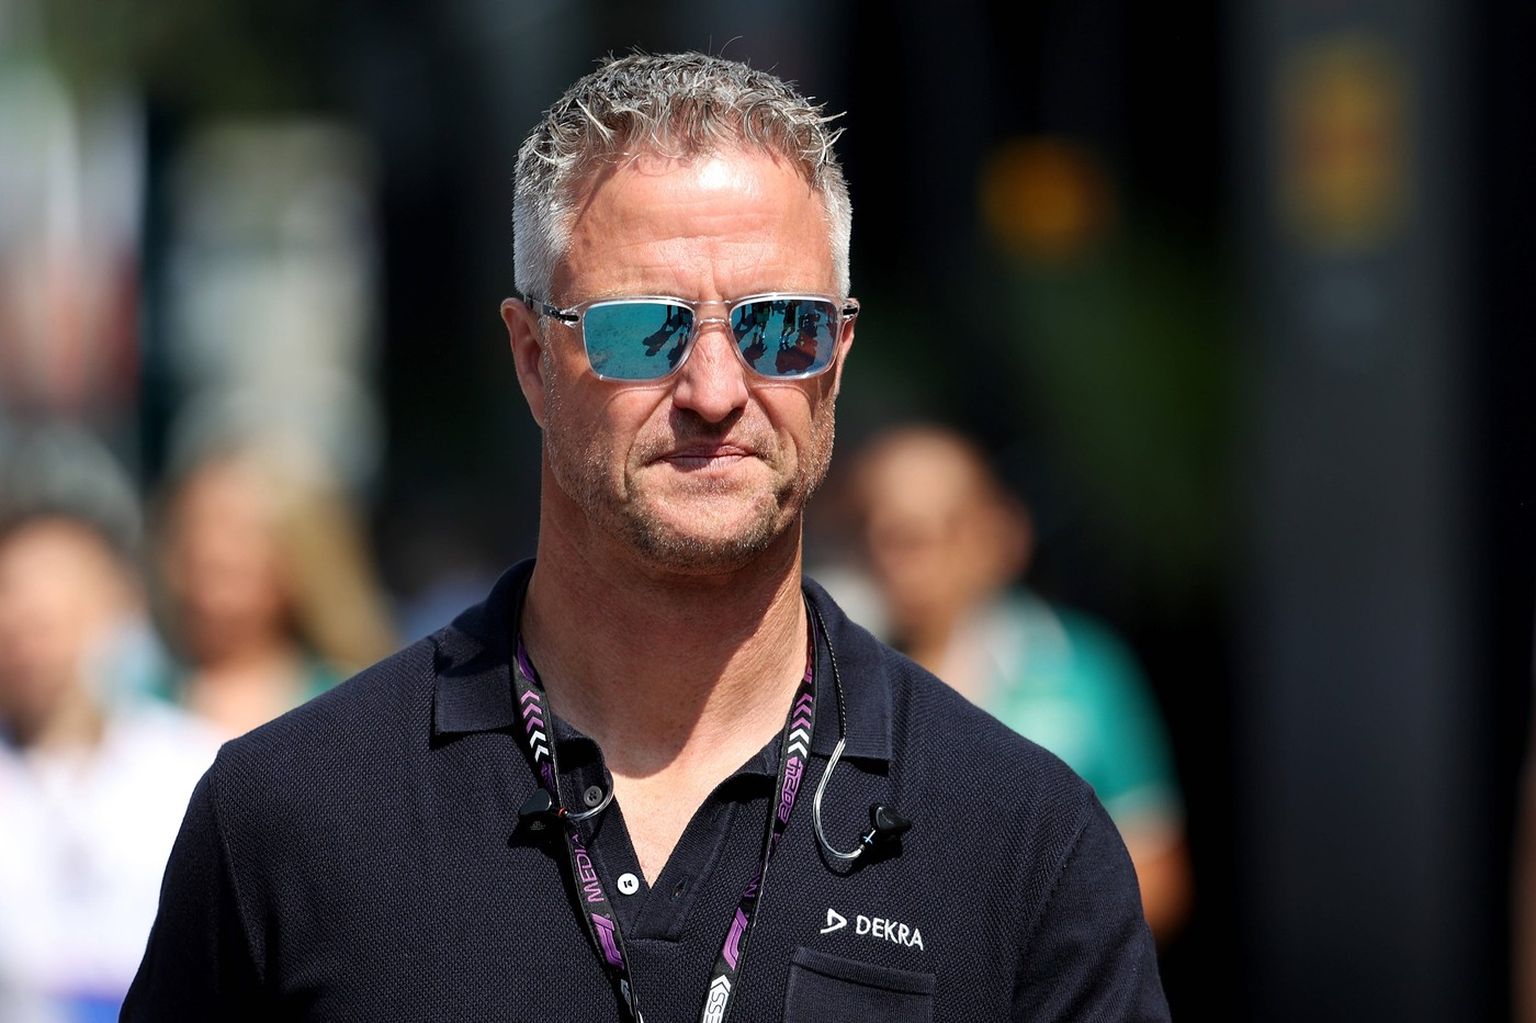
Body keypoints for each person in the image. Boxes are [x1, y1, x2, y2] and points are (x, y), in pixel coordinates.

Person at [124, 53, 1169, 1021]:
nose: (715, 389)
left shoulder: (1023, 840)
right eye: (643, 328)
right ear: (533, 359)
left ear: (838, 356)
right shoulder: (292, 816)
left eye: (780, 327)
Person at [846, 424, 1192, 942]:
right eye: (883, 531)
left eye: (933, 531)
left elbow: (1158, 874)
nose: (904, 559)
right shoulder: (833, 674)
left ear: (998, 532)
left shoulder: (1079, 669)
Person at [0, 507, 220, 1021]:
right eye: (15, 609)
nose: (34, 645)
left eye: (53, 619)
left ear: (123, 608)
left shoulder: (198, 767)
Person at [150, 444, 396, 737]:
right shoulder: (140, 700)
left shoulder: (350, 702)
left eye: (238, 532)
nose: (209, 551)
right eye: (194, 528)